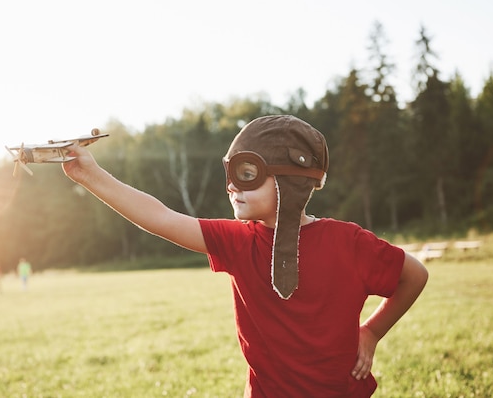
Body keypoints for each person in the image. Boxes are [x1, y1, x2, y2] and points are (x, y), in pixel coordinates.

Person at [62, 115, 428, 397]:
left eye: (247, 172)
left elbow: (414, 276)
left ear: (290, 181)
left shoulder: (350, 242)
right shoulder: (238, 242)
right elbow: (161, 218)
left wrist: (372, 332)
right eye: (230, 172)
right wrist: (91, 176)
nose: (233, 185)